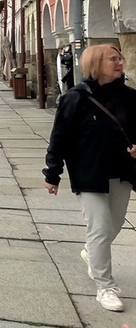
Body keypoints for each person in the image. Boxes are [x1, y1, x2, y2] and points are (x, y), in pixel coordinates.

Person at [43, 44, 136, 312]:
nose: (120, 62)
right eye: (113, 59)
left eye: (120, 58)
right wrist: (53, 173)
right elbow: (59, 137)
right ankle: (105, 286)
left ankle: (90, 253)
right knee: (100, 226)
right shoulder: (75, 98)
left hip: (122, 171)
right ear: (95, 64)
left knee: (113, 227)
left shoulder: (130, 98)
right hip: (89, 172)